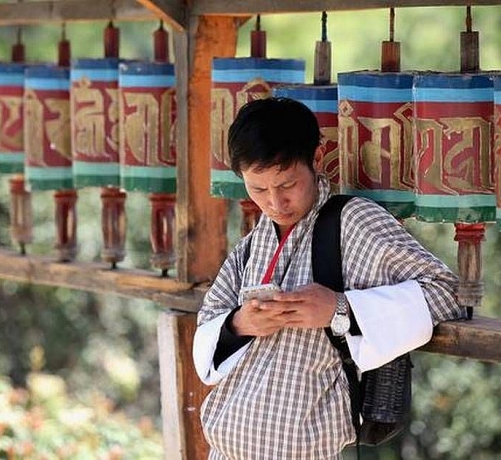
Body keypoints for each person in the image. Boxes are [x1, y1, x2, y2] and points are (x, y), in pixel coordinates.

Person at [193, 97, 464, 459]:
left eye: (287, 184)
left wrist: (339, 309)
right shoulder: (254, 242)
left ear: (317, 159)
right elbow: (209, 326)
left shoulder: (354, 223)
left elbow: (447, 293)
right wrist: (241, 323)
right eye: (258, 189)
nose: (275, 203)